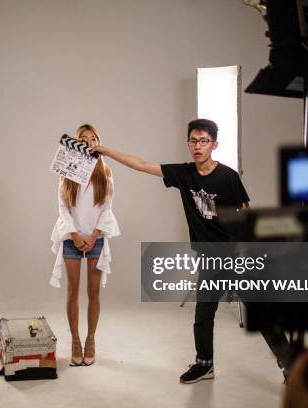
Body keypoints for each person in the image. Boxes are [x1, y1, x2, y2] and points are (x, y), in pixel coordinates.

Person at [92, 118, 292, 384]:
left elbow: (246, 216)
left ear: (214, 144)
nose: (198, 146)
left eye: (204, 141)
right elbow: (141, 164)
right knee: (203, 315)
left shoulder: (228, 177)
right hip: (211, 259)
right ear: (188, 143)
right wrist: (104, 150)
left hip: (236, 258)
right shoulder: (184, 174)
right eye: (193, 141)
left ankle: (292, 366)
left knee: (261, 313)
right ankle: (205, 365)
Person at [50, 124, 120, 366]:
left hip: (96, 239)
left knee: (94, 292)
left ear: (97, 143)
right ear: (76, 143)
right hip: (72, 238)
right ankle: (75, 340)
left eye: (93, 139)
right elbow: (63, 209)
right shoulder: (67, 173)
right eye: (84, 139)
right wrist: (76, 235)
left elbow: (106, 209)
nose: (89, 142)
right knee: (72, 291)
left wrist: (93, 235)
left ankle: (91, 339)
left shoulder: (106, 173)